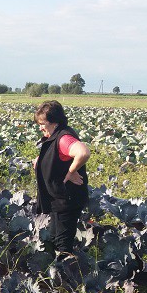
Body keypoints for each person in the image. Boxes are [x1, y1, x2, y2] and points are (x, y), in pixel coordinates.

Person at [32, 100, 91, 254]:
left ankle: (67, 275)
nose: (40, 127)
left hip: (66, 201)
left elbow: (83, 152)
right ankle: (59, 272)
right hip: (58, 200)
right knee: (54, 239)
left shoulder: (64, 138)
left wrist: (71, 172)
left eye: (43, 123)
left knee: (62, 244)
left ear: (55, 122)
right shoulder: (56, 135)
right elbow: (56, 158)